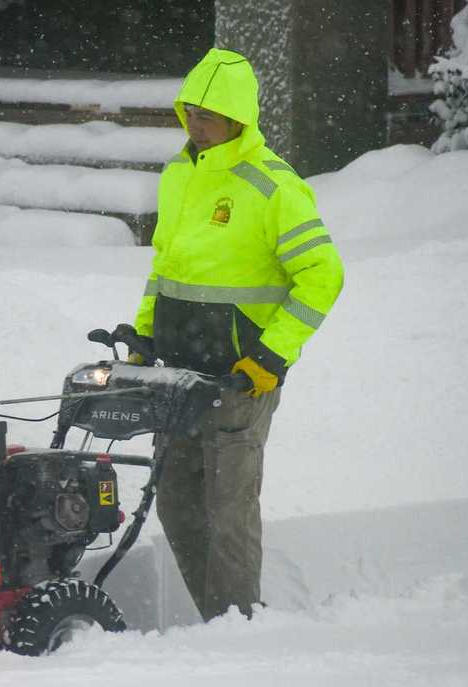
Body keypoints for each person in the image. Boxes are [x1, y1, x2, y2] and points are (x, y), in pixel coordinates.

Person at [130, 48, 343, 621]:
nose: (197, 126)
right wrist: (145, 335)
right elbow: (166, 266)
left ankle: (238, 628)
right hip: (179, 376)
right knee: (176, 505)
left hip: (239, 380)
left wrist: (271, 356)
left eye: (209, 116)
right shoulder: (179, 175)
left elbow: (323, 276)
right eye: (190, 112)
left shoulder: (273, 187)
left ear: (238, 119)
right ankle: (216, 623)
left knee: (227, 513)